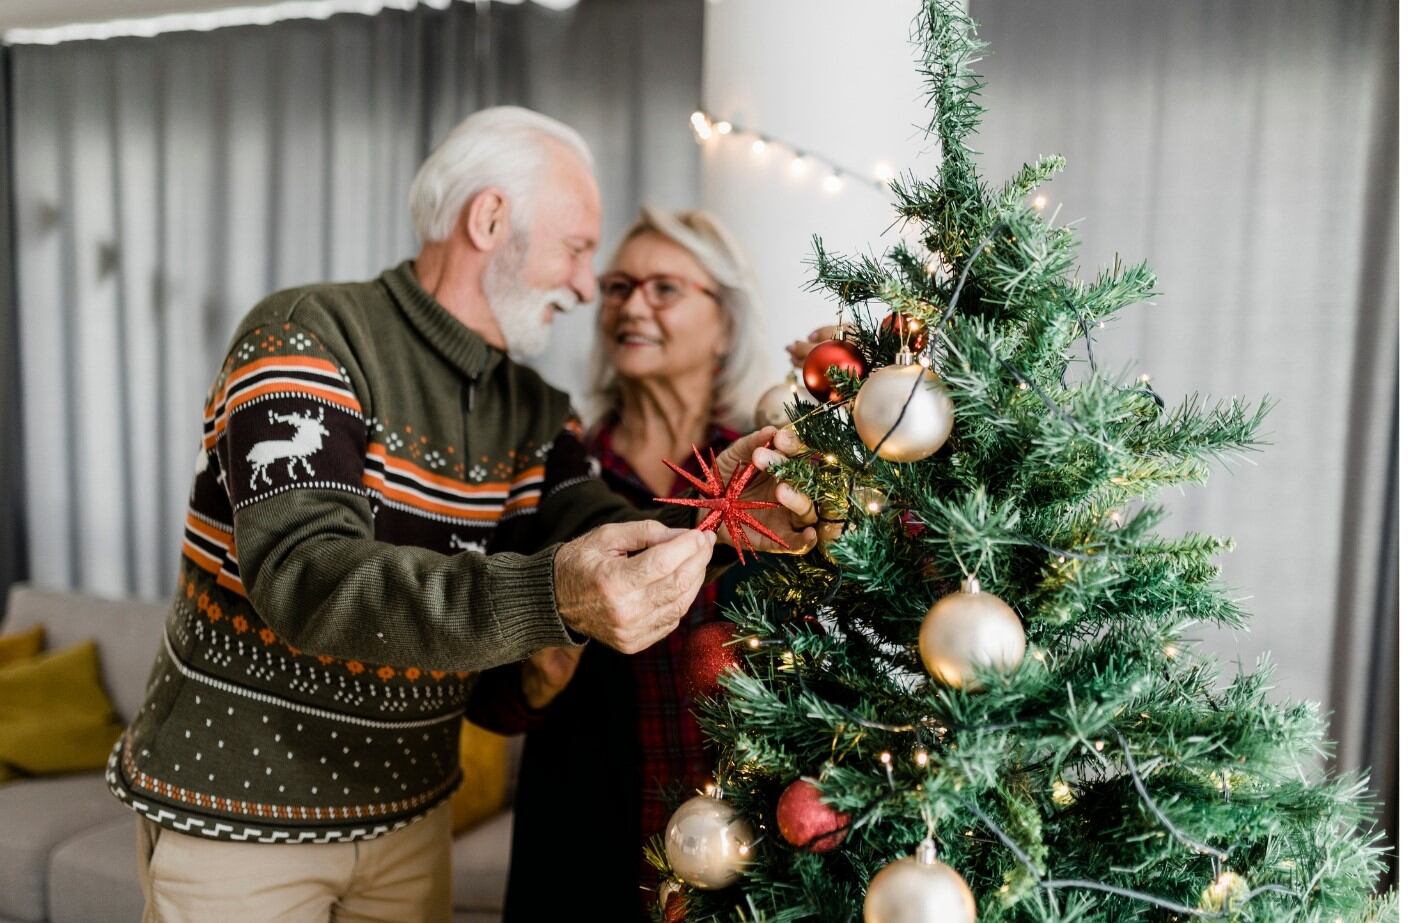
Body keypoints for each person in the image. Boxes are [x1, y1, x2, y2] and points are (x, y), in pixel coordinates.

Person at [107, 107, 817, 923]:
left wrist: (715, 508)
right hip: (243, 815)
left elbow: (597, 521)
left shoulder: (534, 409)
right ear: (489, 220)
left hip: (409, 819)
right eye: (580, 249)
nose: (587, 287)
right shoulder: (308, 334)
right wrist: (551, 598)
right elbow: (307, 575)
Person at [467, 207, 768, 920]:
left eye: (665, 288)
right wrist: (537, 678)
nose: (634, 305)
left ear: (724, 322)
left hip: (754, 838)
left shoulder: (764, 478)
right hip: (586, 847)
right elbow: (490, 694)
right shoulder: (555, 470)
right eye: (619, 287)